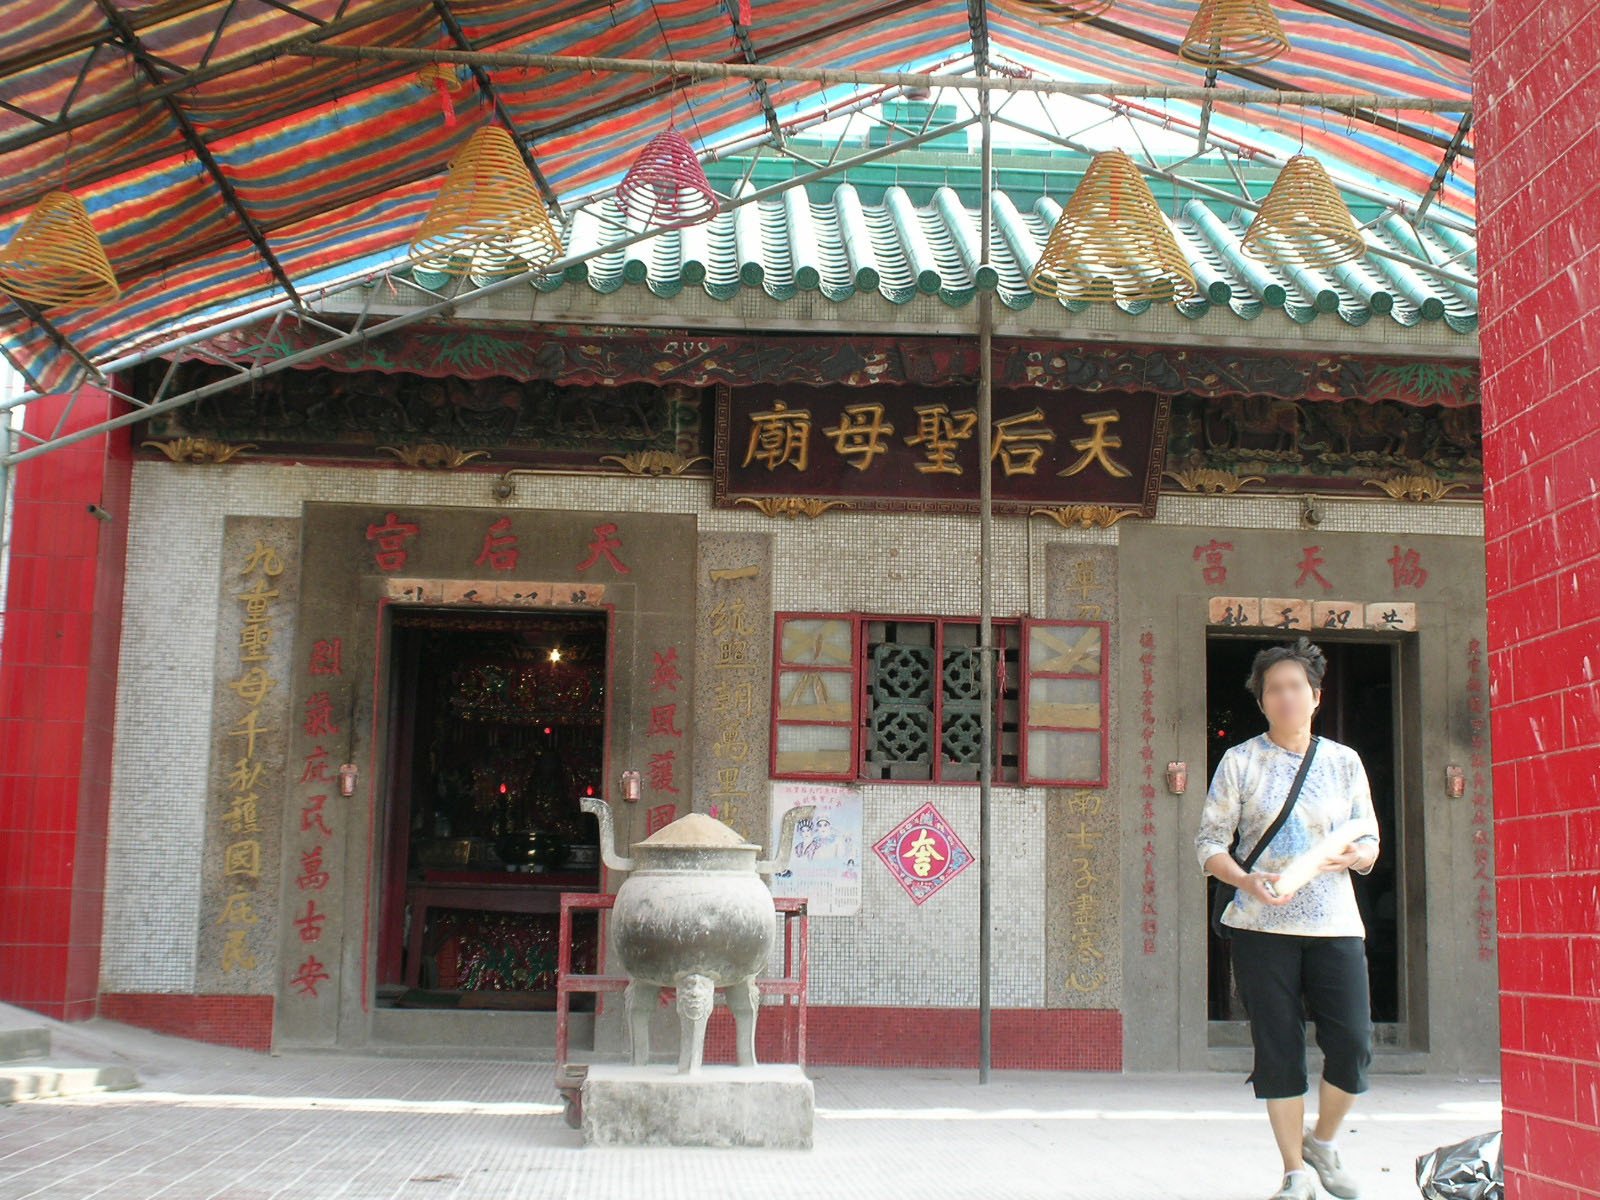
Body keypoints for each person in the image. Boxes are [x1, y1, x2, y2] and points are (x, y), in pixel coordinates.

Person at [1195, 637, 1380, 1200]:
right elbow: (1209, 846)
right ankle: (1294, 1173)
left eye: (1295, 686)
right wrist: (1246, 880)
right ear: (1262, 700)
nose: (1285, 696)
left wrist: (1355, 855)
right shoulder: (1240, 761)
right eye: (1273, 688)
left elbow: (1368, 839)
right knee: (1278, 1049)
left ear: (1315, 696)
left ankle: (1322, 1141)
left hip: (1335, 924)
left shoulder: (1344, 762)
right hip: (1261, 925)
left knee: (1352, 1043)